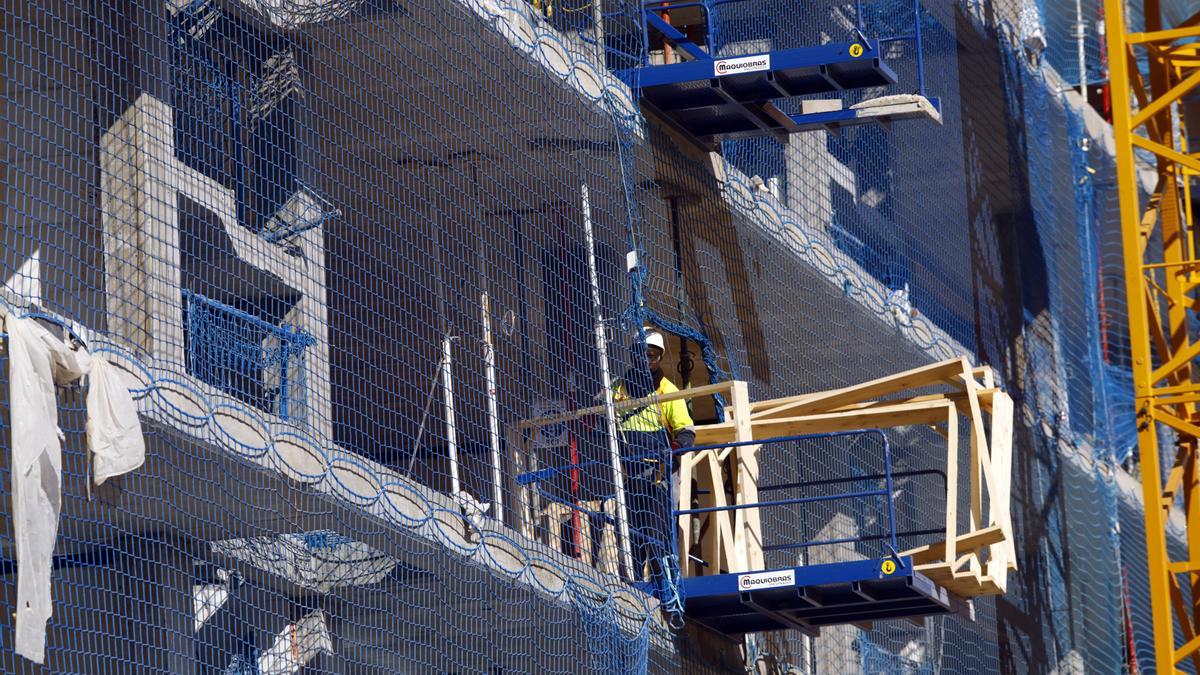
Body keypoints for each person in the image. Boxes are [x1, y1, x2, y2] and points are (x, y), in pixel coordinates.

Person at [611, 329, 696, 593]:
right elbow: (603, 419)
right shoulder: (619, 389)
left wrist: (676, 447)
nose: (648, 361)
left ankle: (664, 583)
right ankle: (634, 580)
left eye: (654, 356)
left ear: (659, 358)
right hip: (629, 472)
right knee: (630, 527)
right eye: (643, 354)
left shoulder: (667, 391)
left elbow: (686, 430)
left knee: (657, 527)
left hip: (659, 472)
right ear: (633, 355)